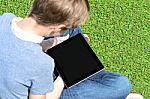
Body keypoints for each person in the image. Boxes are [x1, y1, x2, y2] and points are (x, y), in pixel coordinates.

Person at [0, 0, 131, 99]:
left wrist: (49, 44)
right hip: (45, 91)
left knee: (72, 31)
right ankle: (81, 73)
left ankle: (82, 70)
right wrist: (68, 72)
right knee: (121, 85)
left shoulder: (6, 19)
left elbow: (17, 50)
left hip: (27, 71)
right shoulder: (41, 64)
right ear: (56, 27)